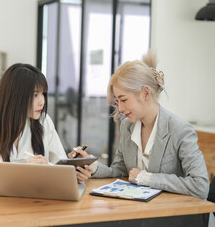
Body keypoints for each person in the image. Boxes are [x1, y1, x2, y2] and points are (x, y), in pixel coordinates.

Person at [70, 51, 209, 199]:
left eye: (124, 100)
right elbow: (120, 170)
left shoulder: (179, 130)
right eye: (117, 101)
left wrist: (148, 178)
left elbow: (200, 185)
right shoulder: (127, 127)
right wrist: (92, 166)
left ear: (145, 93)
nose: (121, 109)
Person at [0, 63, 90, 182]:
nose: (42, 101)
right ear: (15, 97)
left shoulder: (44, 121)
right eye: (35, 95)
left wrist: (75, 172)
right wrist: (23, 170)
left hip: (39, 198)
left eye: (43, 94)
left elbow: (59, 165)